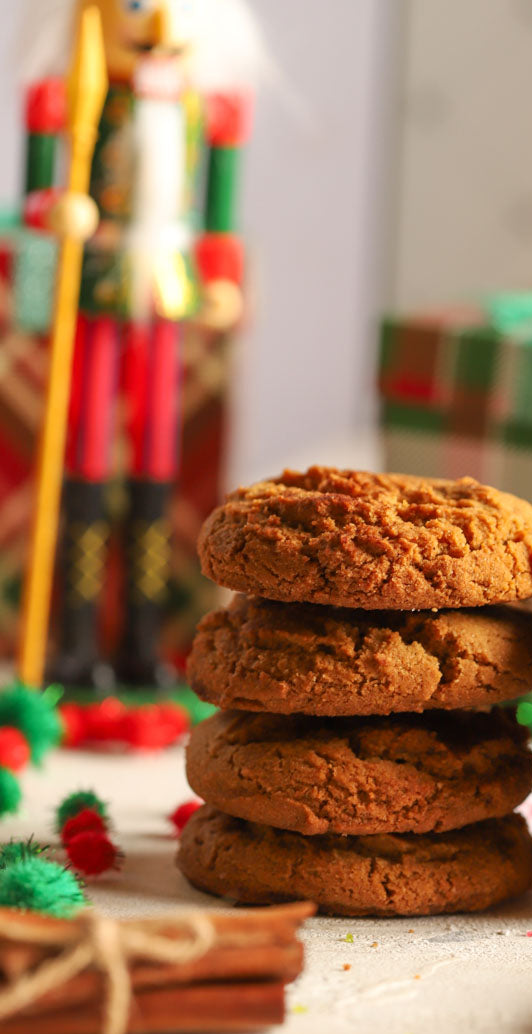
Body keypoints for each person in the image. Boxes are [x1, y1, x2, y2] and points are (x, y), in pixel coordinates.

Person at [19, 0, 266, 687]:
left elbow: (218, 214)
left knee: (159, 455)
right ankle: (76, 643)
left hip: (166, 288)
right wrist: (56, 211)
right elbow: (37, 195)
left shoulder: (209, 108)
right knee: (86, 450)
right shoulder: (68, 97)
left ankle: (142, 642)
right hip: (96, 284)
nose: (157, 26)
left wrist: (221, 275)